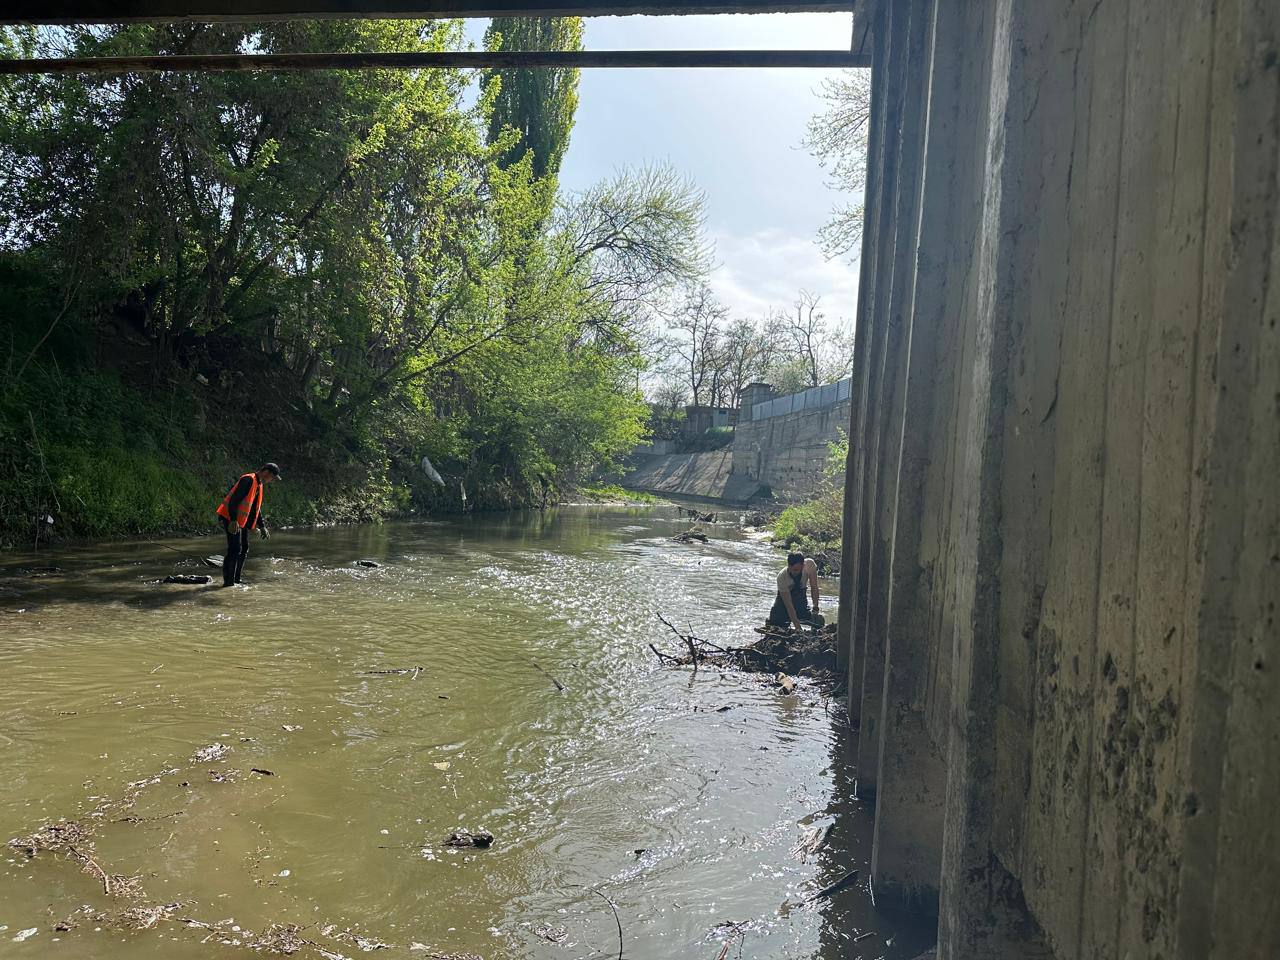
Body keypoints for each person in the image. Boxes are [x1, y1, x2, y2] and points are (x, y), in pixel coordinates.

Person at [215, 463, 280, 587]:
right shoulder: (248, 479)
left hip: (240, 520)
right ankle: (229, 583)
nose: (272, 481)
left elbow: (256, 509)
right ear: (266, 472)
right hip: (230, 517)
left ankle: (236, 580)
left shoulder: (258, 484)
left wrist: (262, 526)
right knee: (235, 549)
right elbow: (234, 501)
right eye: (272, 477)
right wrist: (233, 521)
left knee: (243, 548)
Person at [768, 551, 821, 628]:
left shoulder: (809, 565)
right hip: (783, 600)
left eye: (797, 570)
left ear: (803, 566)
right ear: (788, 565)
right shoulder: (782, 577)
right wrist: (798, 627)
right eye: (791, 569)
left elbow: (814, 587)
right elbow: (789, 605)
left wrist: (815, 608)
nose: (794, 572)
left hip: (800, 596)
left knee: (815, 620)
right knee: (776, 622)